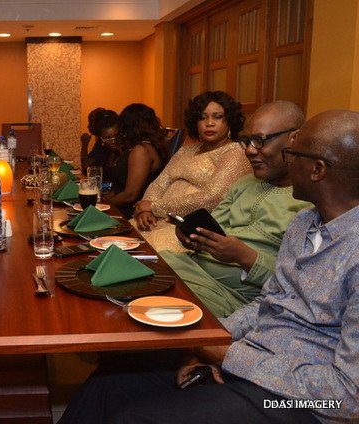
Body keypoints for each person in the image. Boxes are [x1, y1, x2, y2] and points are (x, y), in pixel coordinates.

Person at [58, 109, 359, 424]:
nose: (287, 160)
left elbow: (348, 397)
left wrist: (228, 356)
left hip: (299, 403)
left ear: (317, 169)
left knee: (134, 418)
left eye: (293, 155)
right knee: (111, 381)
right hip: (252, 363)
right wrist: (206, 346)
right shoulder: (304, 222)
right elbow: (267, 303)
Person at [159, 101, 310, 317]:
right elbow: (214, 230)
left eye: (259, 141)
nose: (249, 150)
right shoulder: (244, 184)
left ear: (294, 139)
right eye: (246, 141)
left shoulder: (310, 201)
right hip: (193, 269)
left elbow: (301, 283)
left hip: (235, 298)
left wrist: (244, 256)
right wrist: (191, 236)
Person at [133, 90, 252, 252]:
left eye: (217, 117)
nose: (209, 123)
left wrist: (154, 207)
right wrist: (145, 212)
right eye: (202, 118)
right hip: (155, 219)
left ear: (229, 121)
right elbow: (159, 183)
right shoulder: (186, 150)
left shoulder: (235, 152)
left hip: (187, 228)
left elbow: (212, 199)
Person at [105, 103, 169, 217]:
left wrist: (104, 204)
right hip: (123, 207)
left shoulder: (141, 150)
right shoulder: (146, 145)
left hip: (132, 213)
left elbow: (130, 195)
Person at [80, 108, 120, 184]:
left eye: (90, 123)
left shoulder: (126, 149)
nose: (88, 126)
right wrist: (84, 144)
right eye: (107, 138)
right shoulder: (101, 144)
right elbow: (86, 168)